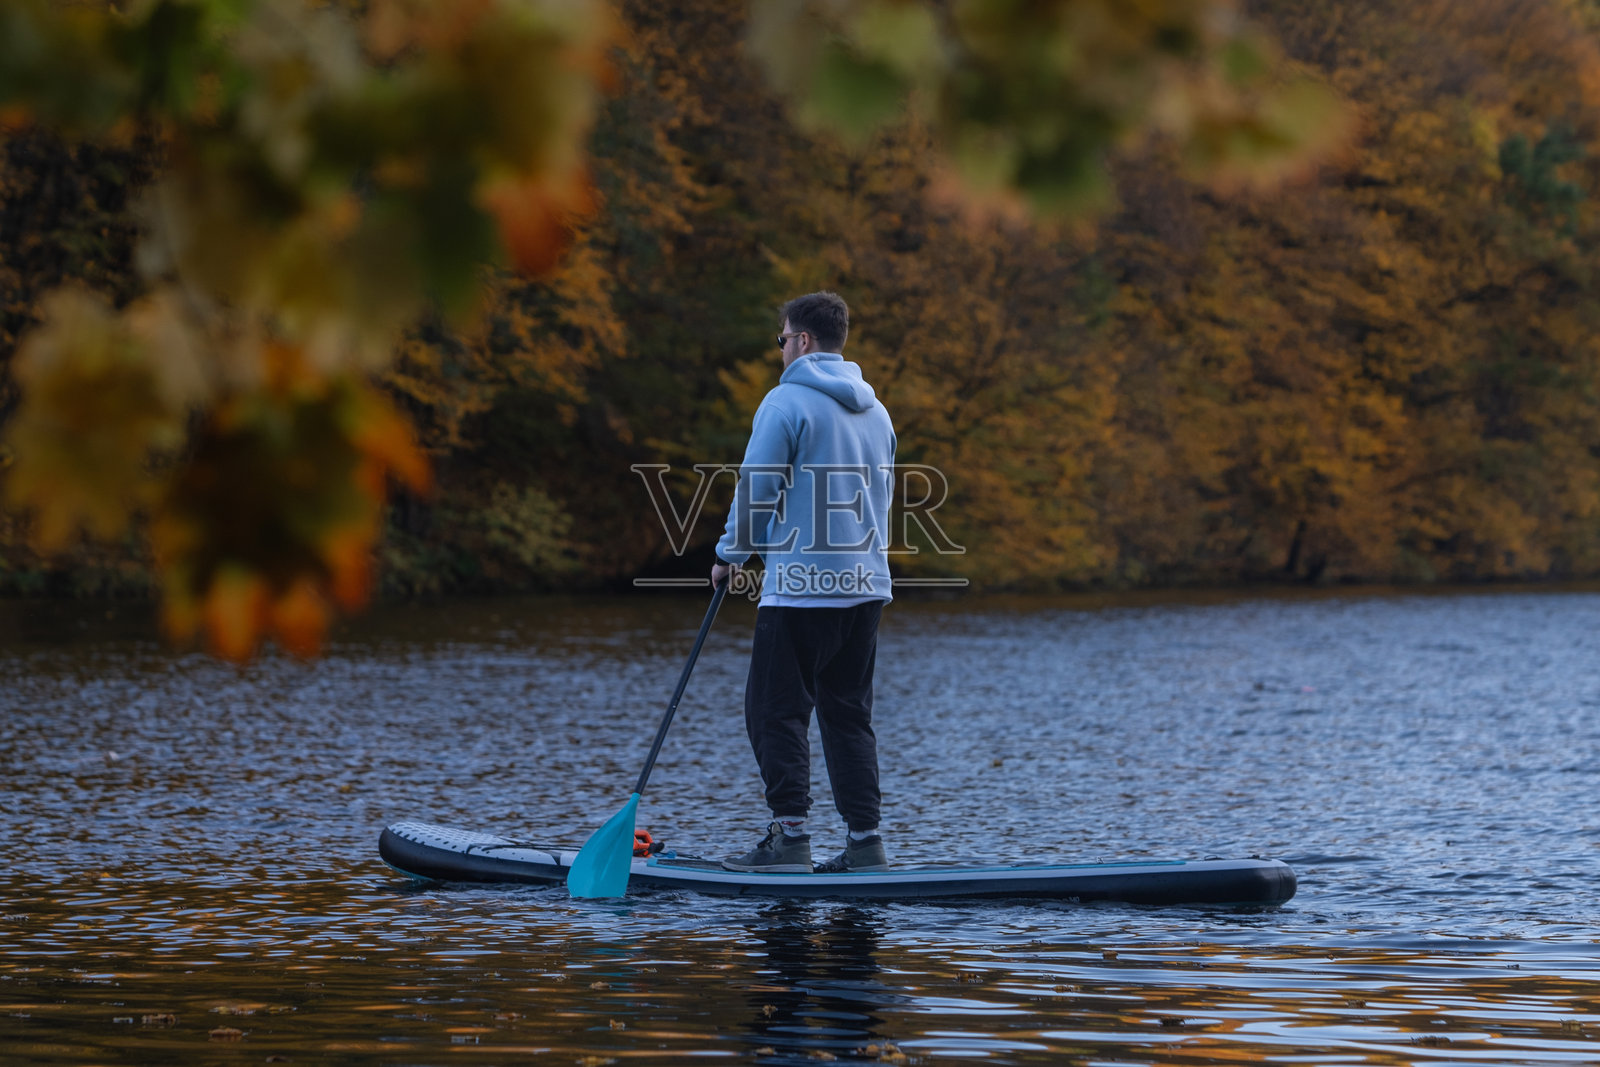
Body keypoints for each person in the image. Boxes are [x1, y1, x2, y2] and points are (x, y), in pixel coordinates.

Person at [711, 290, 897, 874]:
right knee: (847, 715)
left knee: (775, 711)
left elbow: (757, 487)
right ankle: (865, 844)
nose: (780, 349)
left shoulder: (785, 401)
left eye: (782, 339)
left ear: (803, 341)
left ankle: (789, 841)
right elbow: (884, 500)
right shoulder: (877, 410)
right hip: (866, 588)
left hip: (801, 589)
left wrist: (730, 555)